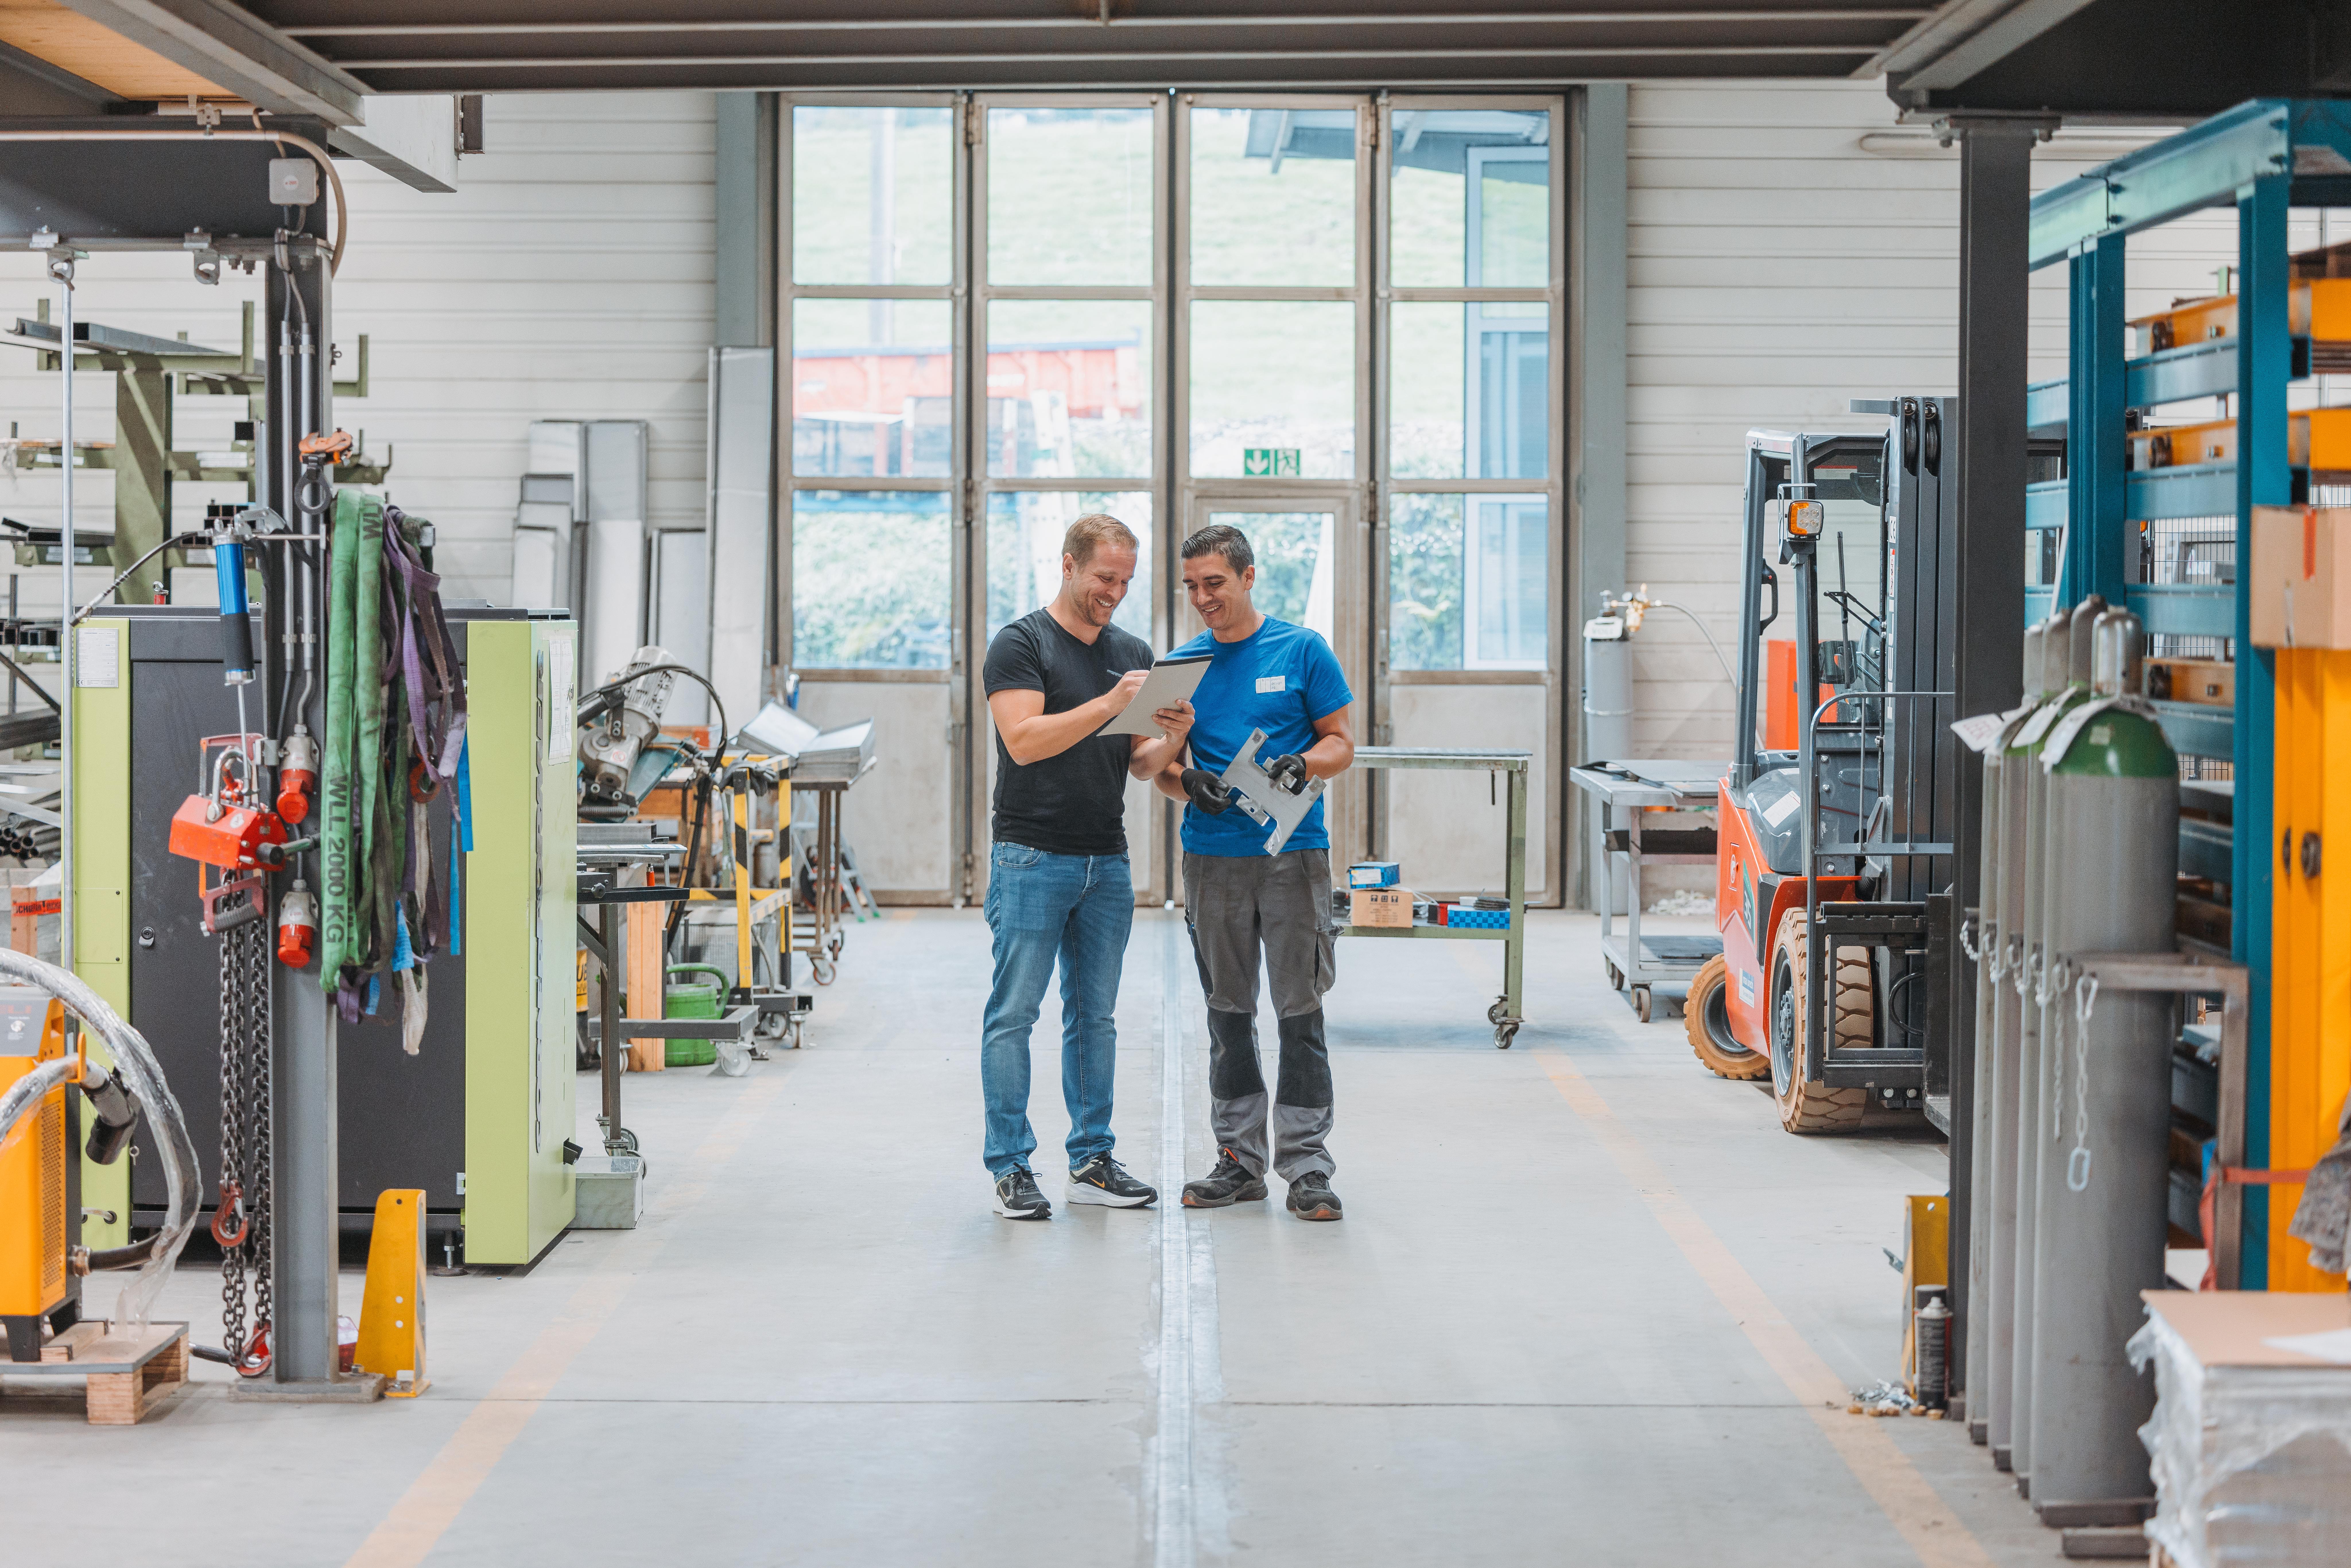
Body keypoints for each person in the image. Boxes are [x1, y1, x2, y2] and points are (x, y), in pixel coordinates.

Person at [980, 513, 1194, 1220]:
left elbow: (1135, 765)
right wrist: (1109, 700)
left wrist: (1170, 735)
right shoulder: (1021, 644)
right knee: (1014, 1014)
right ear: (1068, 565)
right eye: (1105, 577)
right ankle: (1011, 1165)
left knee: (1094, 1016)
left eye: (1127, 581)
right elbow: (1023, 740)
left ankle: (1091, 1158)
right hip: (1032, 854)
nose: (1115, 592)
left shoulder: (1131, 649)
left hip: (1106, 860)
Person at [1152, 523, 1355, 1220]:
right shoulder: (1180, 665)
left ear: (1247, 577)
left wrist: (1307, 763)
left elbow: (1341, 742)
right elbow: (1160, 770)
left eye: (1214, 582)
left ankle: (1307, 1167)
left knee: (1299, 1010)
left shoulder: (1302, 649)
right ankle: (1239, 1161)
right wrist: (1190, 783)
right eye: (1191, 586)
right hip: (1212, 860)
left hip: (1293, 858)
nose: (1202, 597)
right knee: (1228, 1013)